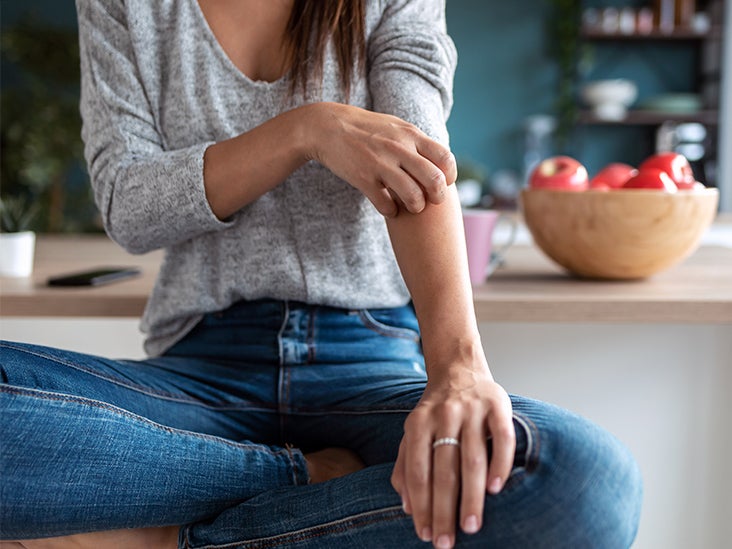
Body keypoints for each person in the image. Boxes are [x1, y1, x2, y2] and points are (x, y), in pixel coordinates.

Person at [0, 1, 643, 548]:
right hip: (201, 373)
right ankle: (301, 483)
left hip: (369, 362)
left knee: (584, 481)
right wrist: (305, 130)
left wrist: (459, 371)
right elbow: (127, 204)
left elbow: (420, 160)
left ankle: (172, 534)